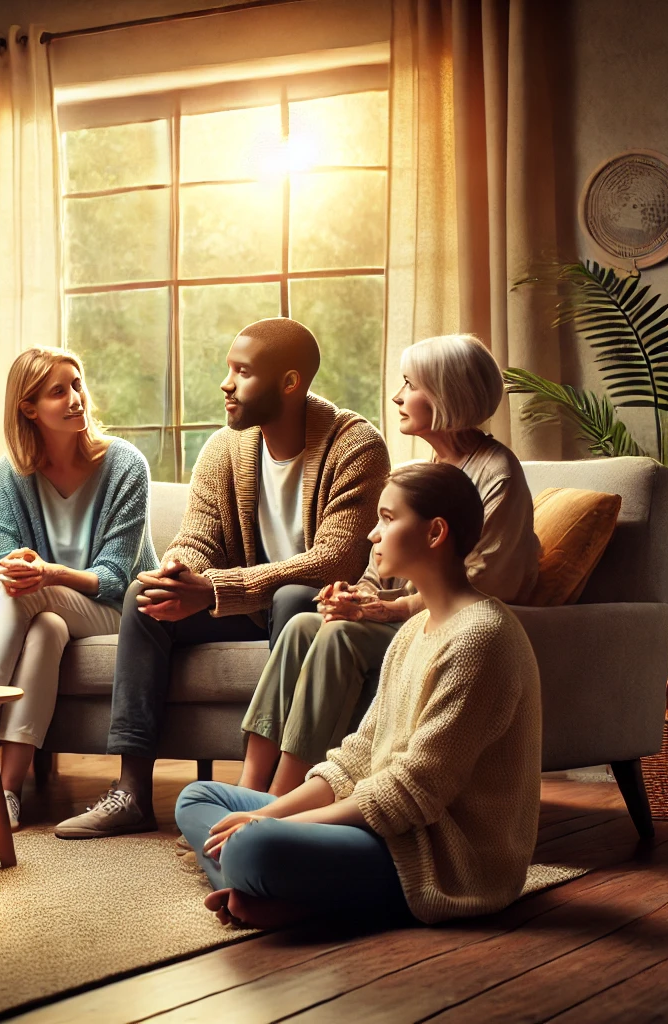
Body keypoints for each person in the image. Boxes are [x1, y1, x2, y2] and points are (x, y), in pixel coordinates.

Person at [55, 317, 390, 839]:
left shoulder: (356, 446)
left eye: (242, 371)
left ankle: (282, 790)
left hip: (302, 609)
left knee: (294, 596)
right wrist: (179, 570)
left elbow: (336, 562)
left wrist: (217, 589)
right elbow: (199, 538)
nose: (225, 383)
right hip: (240, 608)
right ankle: (132, 792)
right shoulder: (224, 449)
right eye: (227, 369)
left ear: (289, 383)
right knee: (147, 594)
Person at [175, 462, 541, 930]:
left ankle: (291, 894)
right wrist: (267, 812)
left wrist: (272, 829)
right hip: (385, 827)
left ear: (435, 533)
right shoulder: (412, 631)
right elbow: (357, 758)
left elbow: (412, 795)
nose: (372, 534)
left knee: (252, 847)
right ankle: (281, 894)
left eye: (388, 519)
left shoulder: (480, 639)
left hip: (436, 856)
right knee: (197, 797)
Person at [239, 334, 541, 794]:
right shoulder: (425, 469)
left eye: (410, 385)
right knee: (303, 625)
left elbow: (482, 580)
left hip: (442, 628)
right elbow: (381, 564)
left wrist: (389, 609)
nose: (398, 396)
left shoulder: (496, 473)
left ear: (445, 394)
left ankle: (278, 800)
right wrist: (358, 593)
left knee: (340, 636)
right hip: (404, 618)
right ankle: (246, 788)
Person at [0, 347, 154, 826]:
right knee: (43, 626)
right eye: (58, 391)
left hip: (114, 608)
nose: (76, 399)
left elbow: (116, 578)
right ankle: (3, 790)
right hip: (45, 609)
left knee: (36, 594)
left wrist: (48, 573)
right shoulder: (8, 475)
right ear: (28, 408)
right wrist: (5, 569)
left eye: (77, 384)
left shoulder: (126, 465)